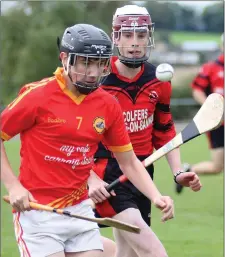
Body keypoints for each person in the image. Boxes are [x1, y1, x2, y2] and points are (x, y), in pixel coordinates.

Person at [1, 23, 175, 257]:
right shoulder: (37, 96)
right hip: (38, 214)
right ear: (65, 58)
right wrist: (13, 185)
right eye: (85, 62)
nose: (93, 72)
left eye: (100, 63)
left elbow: (129, 162)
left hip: (80, 211)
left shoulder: (107, 104)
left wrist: (156, 196)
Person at [87, 5, 202, 257]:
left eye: (141, 35)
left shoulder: (157, 79)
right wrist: (90, 178)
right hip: (108, 174)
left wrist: (177, 171)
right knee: (153, 252)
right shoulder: (99, 80)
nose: (135, 43)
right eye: (128, 35)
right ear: (116, 37)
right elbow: (77, 136)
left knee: (128, 253)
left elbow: (165, 131)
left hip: (143, 171)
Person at [176, 33, 224, 194]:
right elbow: (197, 90)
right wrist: (211, 108)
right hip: (219, 125)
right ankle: (189, 170)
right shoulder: (211, 68)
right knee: (217, 167)